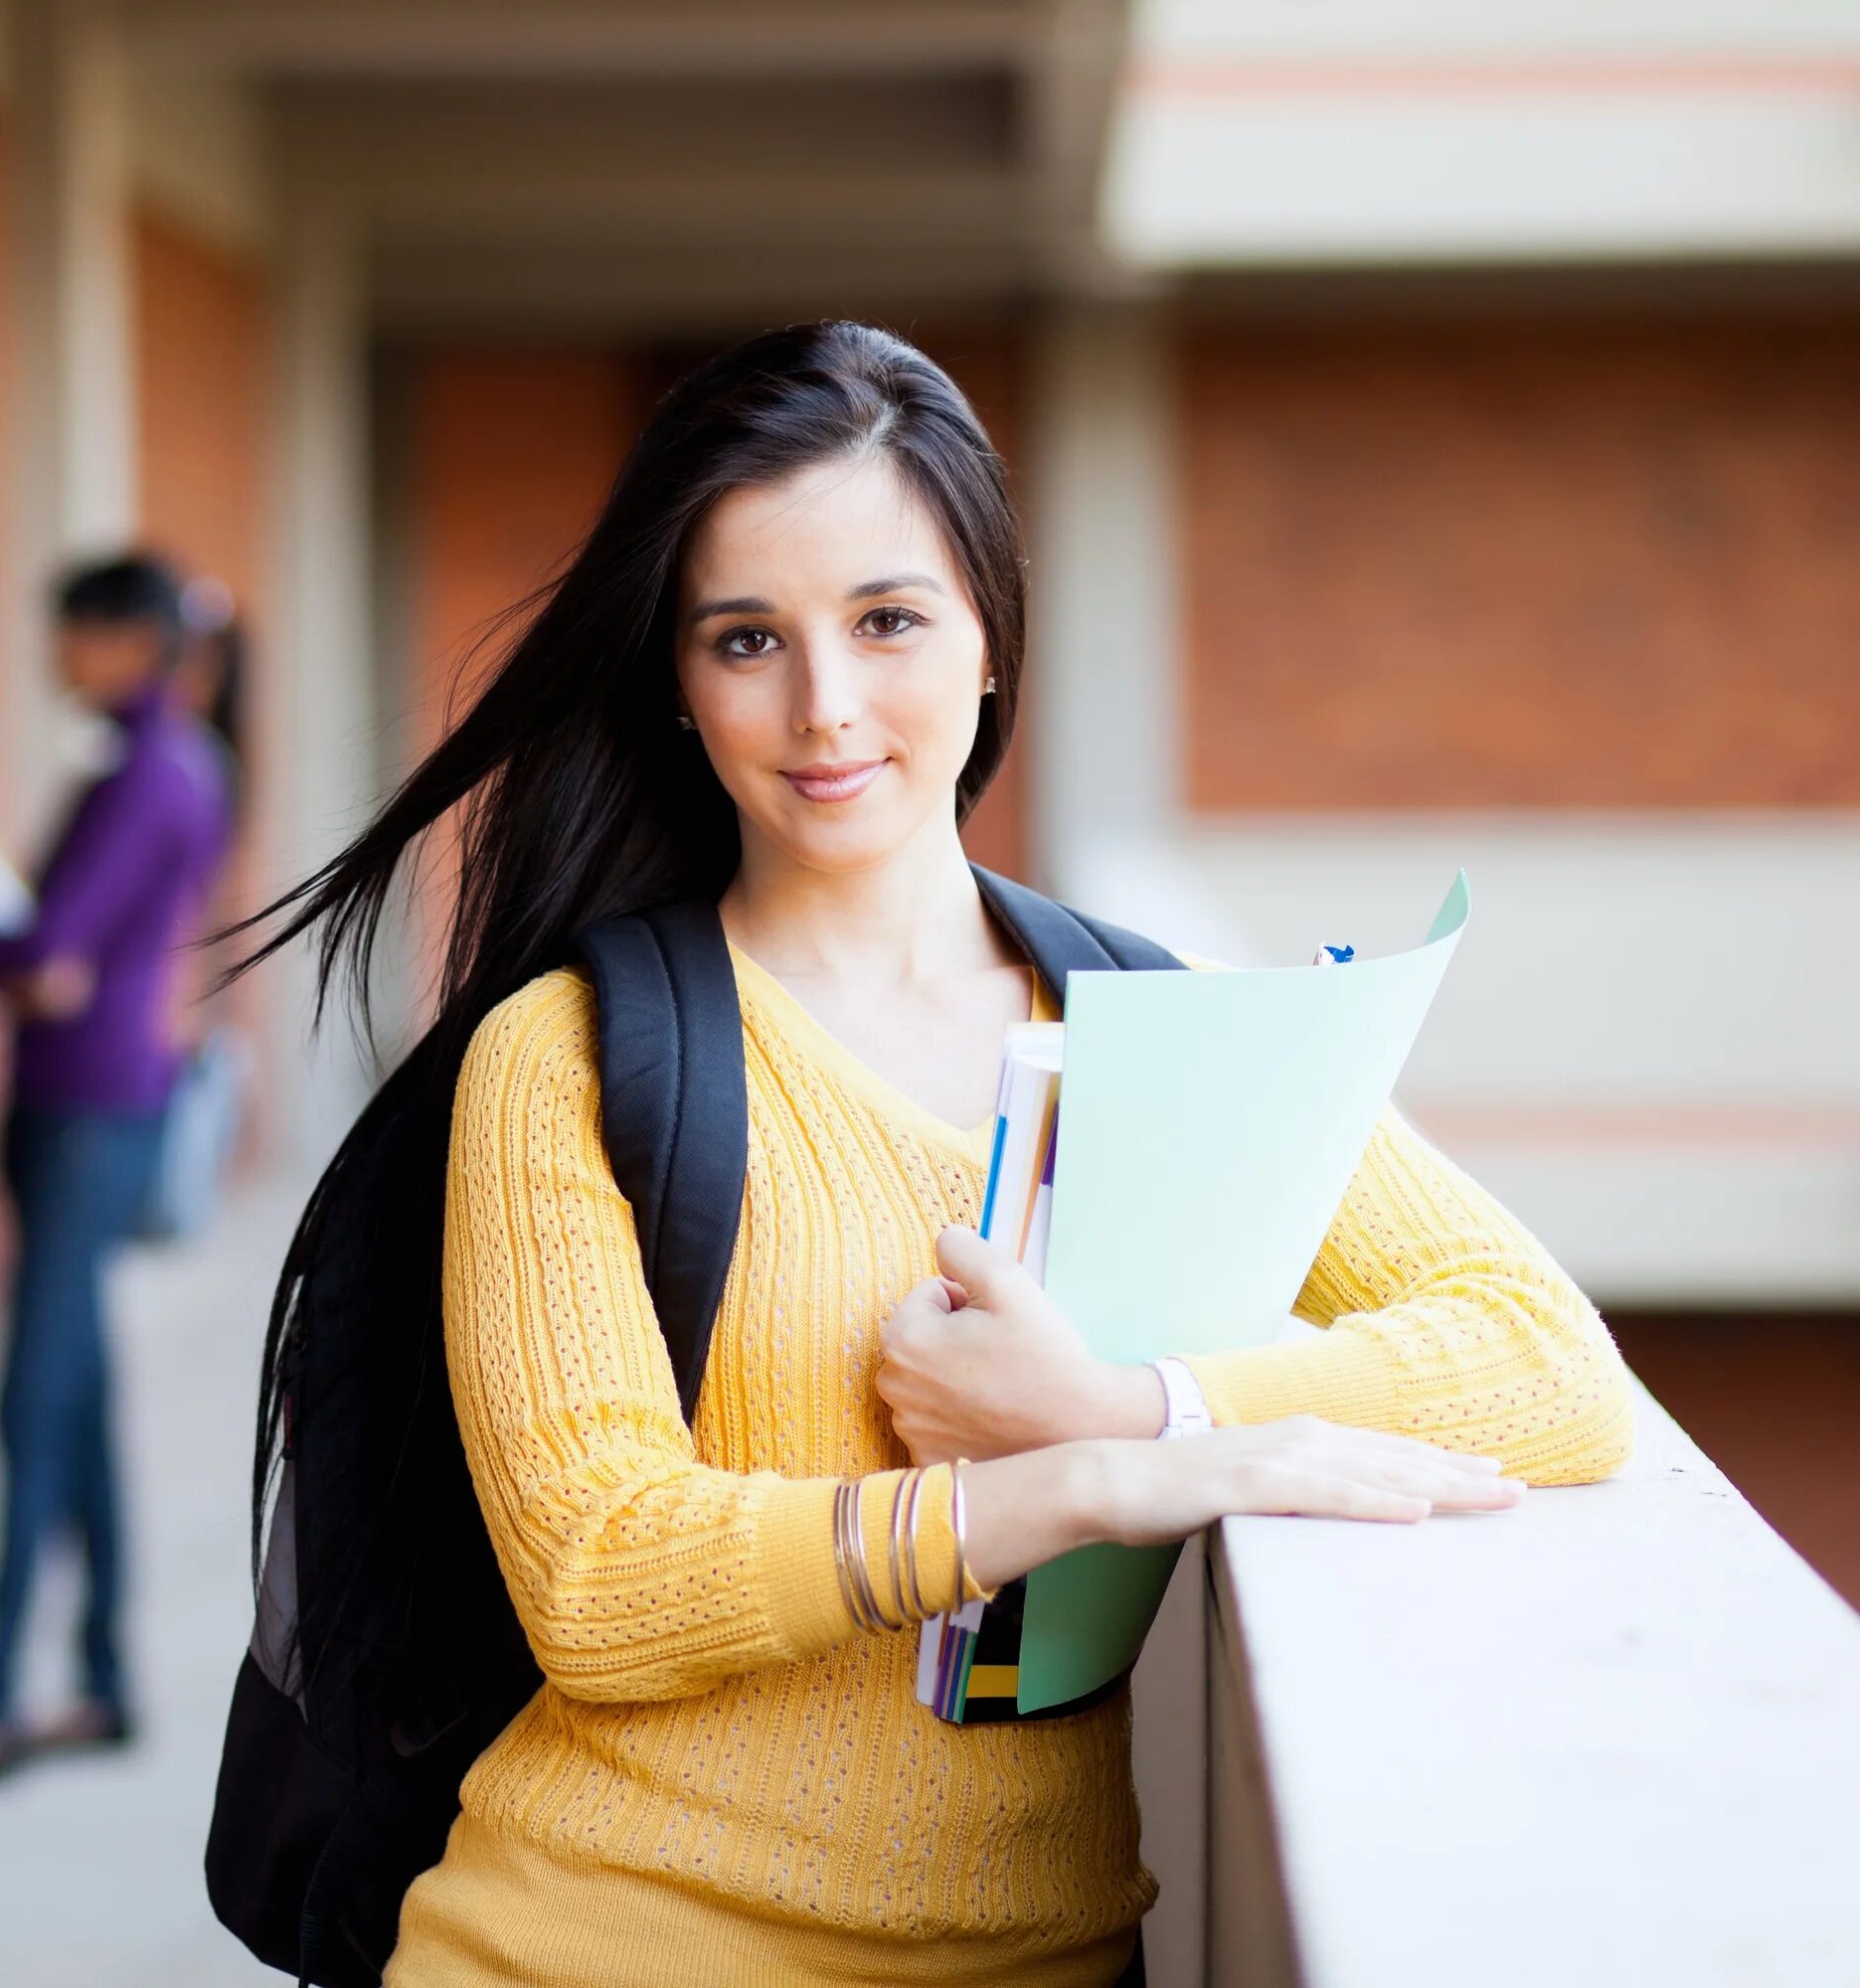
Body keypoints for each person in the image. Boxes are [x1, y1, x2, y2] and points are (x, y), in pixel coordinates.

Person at [231, 323, 1636, 1985]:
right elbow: (602, 1577)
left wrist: (1135, 1404)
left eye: (887, 620)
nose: (826, 708)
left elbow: (1551, 1368)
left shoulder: (1156, 1031)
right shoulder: (577, 1053)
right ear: (680, 687)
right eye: (747, 640)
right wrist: (1070, 1489)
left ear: (988, 640)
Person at [0, 553, 237, 1785]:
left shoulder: (146, 767)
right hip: (95, 1100)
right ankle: (101, 1678)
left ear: (126, 637)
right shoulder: (161, 758)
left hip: (82, 1109)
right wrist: (26, 956)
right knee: (72, 1394)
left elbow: (46, 942)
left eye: (67, 629)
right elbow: (48, 948)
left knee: (31, 1395)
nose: (52, 652)